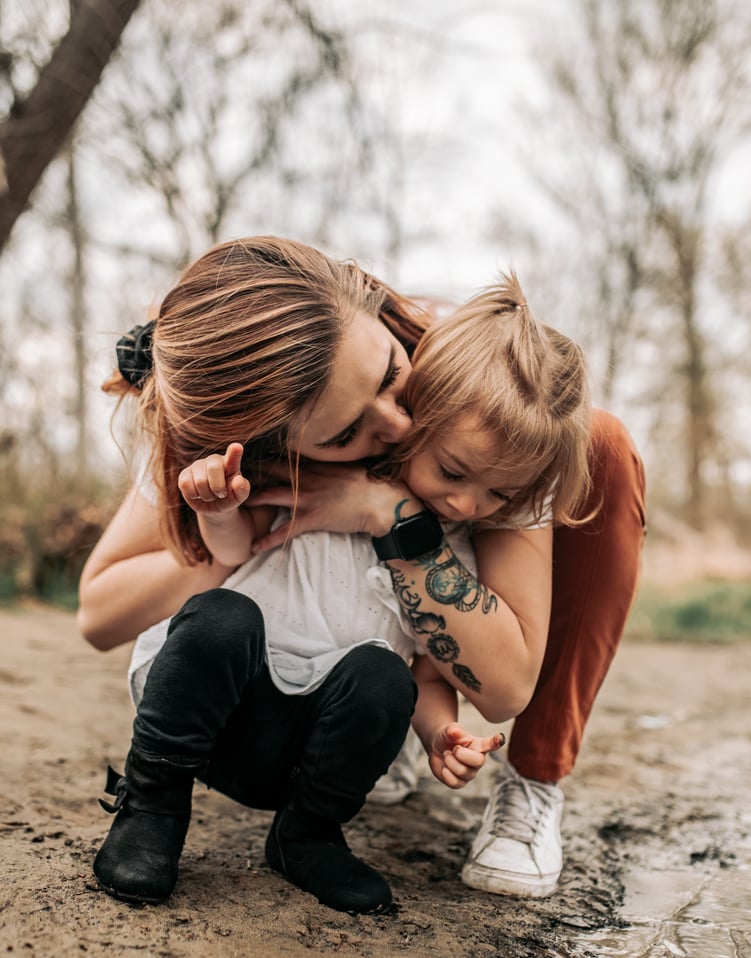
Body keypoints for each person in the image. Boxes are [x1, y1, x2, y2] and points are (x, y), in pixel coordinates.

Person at [78, 235, 645, 906]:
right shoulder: (225, 425)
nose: (403, 424)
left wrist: (387, 511)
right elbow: (98, 614)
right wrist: (235, 534)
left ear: (376, 310)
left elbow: (502, 686)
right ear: (266, 445)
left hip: (355, 683)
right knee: (221, 624)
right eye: (345, 433)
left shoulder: (470, 414)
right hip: (250, 676)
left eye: (388, 375)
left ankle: (532, 781)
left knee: (597, 439)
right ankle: (154, 804)